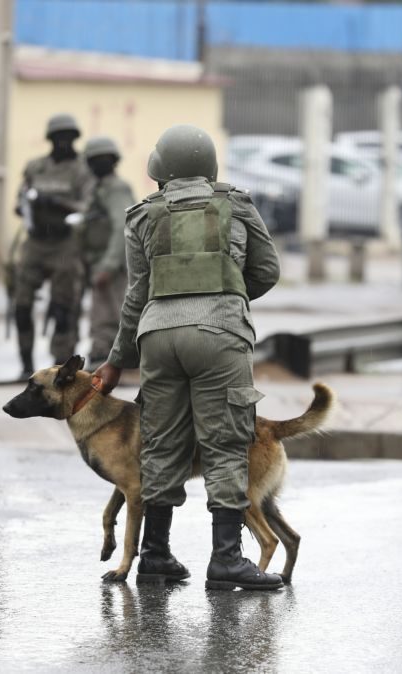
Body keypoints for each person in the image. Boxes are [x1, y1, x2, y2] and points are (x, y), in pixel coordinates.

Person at [94, 125, 283, 591]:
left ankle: (155, 555)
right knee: (224, 444)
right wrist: (230, 297)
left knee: (160, 443)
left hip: (157, 338)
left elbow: (136, 295)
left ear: (163, 170)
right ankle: (225, 560)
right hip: (220, 334)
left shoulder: (142, 215)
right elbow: (267, 270)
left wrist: (117, 360)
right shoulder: (236, 203)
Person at [13, 113, 94, 379]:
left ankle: (60, 366)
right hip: (36, 241)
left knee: (63, 307)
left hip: (65, 243)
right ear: (50, 139)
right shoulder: (36, 167)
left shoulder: (82, 170)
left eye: (67, 138)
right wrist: (29, 204)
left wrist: (58, 204)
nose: (62, 142)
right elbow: (20, 200)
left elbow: (87, 206)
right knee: (21, 304)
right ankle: (25, 363)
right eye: (58, 137)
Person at [79, 136, 135, 369]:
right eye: (95, 159)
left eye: (104, 159)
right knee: (103, 311)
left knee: (109, 313)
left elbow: (122, 226)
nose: (99, 164)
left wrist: (108, 265)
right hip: (98, 260)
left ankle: (106, 355)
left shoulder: (116, 188)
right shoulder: (98, 188)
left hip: (113, 265)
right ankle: (104, 353)